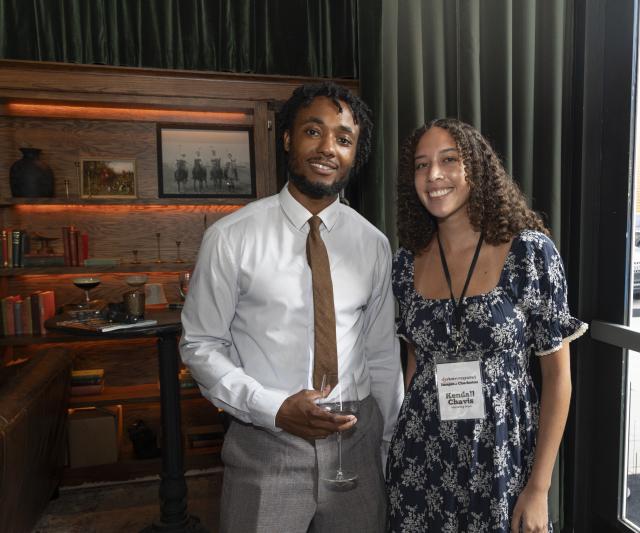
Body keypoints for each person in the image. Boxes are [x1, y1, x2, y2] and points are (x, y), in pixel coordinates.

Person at [180, 82, 404, 532]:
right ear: (287, 138)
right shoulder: (230, 238)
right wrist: (273, 408)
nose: (328, 149)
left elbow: (381, 353)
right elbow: (201, 345)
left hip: (355, 443)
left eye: (344, 139)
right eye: (313, 132)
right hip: (266, 444)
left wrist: (385, 445)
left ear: (355, 154)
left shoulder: (374, 244)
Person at [386, 118, 586, 533]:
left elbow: (558, 378)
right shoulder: (406, 263)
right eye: (422, 164)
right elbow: (414, 366)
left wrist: (539, 487)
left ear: (475, 168)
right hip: (422, 456)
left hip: (502, 456)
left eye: (449, 160)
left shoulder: (528, 253)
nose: (434, 174)